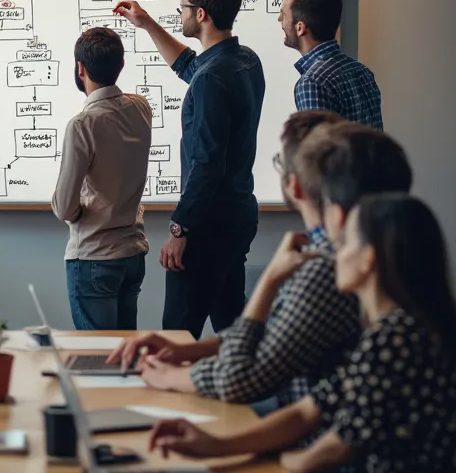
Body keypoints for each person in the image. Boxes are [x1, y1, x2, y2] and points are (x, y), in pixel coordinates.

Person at [147, 194, 456, 473]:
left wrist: (281, 462)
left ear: (368, 259)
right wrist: (216, 446)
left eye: (344, 242)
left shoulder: (395, 338)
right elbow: (310, 410)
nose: (332, 253)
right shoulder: (398, 328)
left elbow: (337, 446)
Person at [123, 119, 412, 409]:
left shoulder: (324, 268)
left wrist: (173, 376)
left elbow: (243, 377)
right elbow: (271, 335)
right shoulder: (394, 252)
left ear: (295, 186)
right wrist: (186, 350)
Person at [115, 0, 265, 338]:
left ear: (201, 14)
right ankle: (239, 391)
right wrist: (148, 24)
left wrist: (181, 228)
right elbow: (189, 67)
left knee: (177, 336)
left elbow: (207, 163)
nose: (179, 13)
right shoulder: (244, 60)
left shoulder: (213, 77)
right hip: (237, 216)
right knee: (232, 328)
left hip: (207, 226)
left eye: (183, 7)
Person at [51, 27, 152, 330]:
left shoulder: (83, 124)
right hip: (132, 252)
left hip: (94, 255)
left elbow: (64, 207)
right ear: (121, 65)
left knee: (98, 357)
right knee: (124, 354)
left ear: (79, 68)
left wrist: (81, 207)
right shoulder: (141, 107)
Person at [280, 0, 383, 129]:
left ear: (300, 27)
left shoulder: (312, 83)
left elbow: (317, 150)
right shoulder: (362, 71)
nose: (279, 20)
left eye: (283, 15)